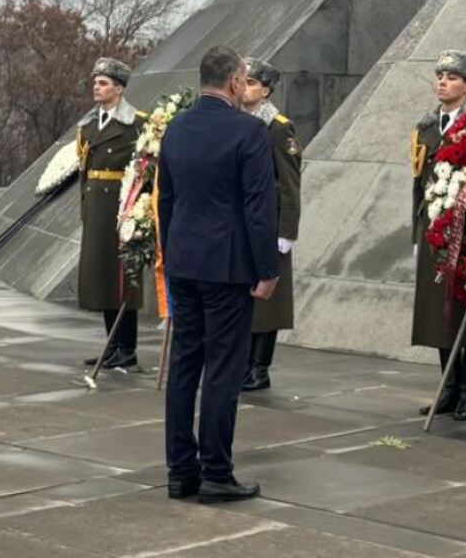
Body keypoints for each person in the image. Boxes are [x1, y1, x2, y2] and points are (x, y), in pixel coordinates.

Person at [158, 46, 279, 504]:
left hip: (185, 261)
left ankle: (179, 471)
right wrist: (266, 269)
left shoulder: (176, 127)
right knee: (225, 370)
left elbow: (166, 200)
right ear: (233, 82)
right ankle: (216, 472)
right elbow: (258, 208)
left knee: (185, 366)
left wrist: (173, 255)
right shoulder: (249, 132)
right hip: (228, 268)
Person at [411, 50, 466, 422]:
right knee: (439, 313)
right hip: (436, 228)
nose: (442, 82)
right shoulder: (427, 127)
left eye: (451, 77)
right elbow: (419, 185)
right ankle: (448, 387)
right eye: (440, 75)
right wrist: (419, 233)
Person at [76, 58, 148, 370]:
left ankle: (127, 348)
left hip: (121, 207)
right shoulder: (89, 125)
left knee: (122, 279)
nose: (97, 86)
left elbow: (146, 171)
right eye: (95, 81)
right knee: (102, 278)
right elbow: (84, 172)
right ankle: (112, 345)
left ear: (119, 88)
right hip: (96, 207)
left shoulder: (137, 124)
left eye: (103, 82)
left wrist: (138, 214)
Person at [239, 58, 301, 392]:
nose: (244, 88)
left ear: (265, 90)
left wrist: (286, 232)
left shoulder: (277, 127)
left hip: (268, 224)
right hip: (239, 224)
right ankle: (243, 363)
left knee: (268, 302)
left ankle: (259, 367)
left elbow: (289, 183)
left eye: (251, 82)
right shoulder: (235, 121)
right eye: (241, 81)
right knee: (244, 296)